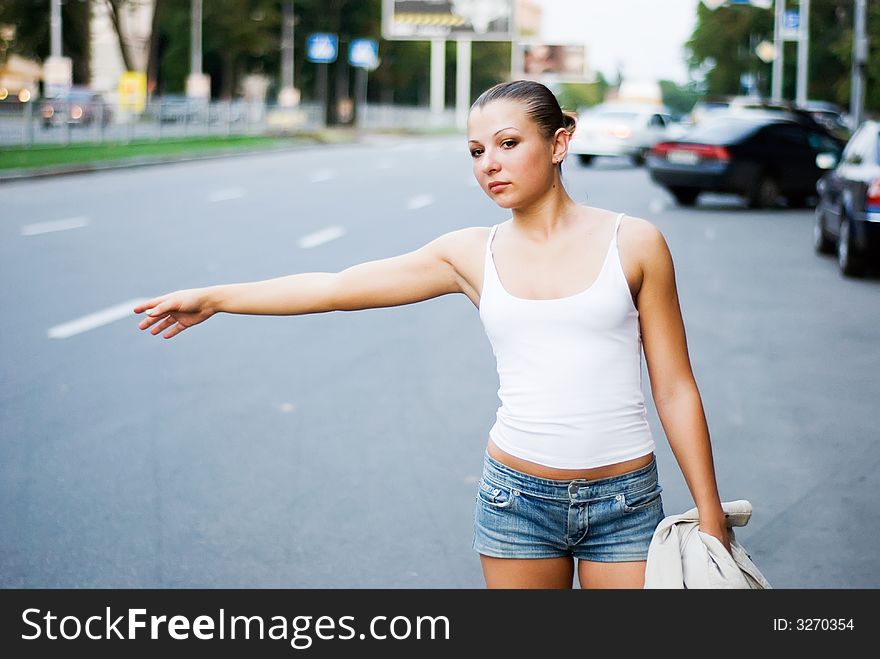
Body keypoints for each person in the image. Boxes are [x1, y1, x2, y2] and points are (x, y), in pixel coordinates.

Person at [133, 80, 732, 589]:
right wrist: (215, 298)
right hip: (516, 500)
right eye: (475, 152)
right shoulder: (470, 254)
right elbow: (337, 287)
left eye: (507, 144)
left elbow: (675, 387)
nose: (489, 165)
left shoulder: (635, 242)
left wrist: (710, 512)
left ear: (558, 143)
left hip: (625, 503)